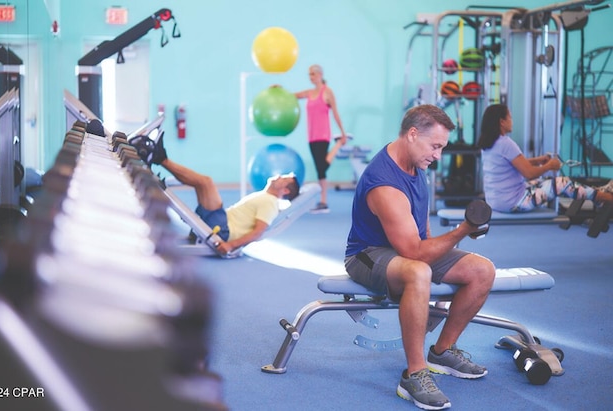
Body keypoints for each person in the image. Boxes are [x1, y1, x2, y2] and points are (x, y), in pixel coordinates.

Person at [344, 104, 496, 410]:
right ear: (413, 135)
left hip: (405, 247)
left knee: (482, 270)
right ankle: (414, 374)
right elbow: (413, 253)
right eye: (436, 146)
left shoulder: (416, 166)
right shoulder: (384, 184)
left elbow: (422, 237)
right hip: (366, 255)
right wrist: (464, 229)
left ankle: (442, 351)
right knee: (418, 272)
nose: (438, 155)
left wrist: (457, 239)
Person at [131, 133, 301, 255]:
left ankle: (160, 158)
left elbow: (258, 232)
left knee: (206, 182)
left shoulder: (270, 202)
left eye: (283, 178)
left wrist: (229, 245)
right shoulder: (265, 197)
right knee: (202, 183)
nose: (278, 176)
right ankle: (160, 158)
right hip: (221, 221)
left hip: (222, 230)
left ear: (285, 191)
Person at [478, 104, 613, 213]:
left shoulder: (489, 143)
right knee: (562, 183)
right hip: (515, 202)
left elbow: (512, 164)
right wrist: (548, 166)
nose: (512, 121)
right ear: (502, 122)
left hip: (496, 202)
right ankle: (606, 197)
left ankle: (598, 195)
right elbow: (529, 173)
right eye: (510, 118)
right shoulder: (506, 143)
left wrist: (537, 161)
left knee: (546, 181)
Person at [295, 64, 348, 213]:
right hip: (311, 136)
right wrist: (278, 89)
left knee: (322, 167)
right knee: (321, 171)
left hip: (323, 135)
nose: (311, 77)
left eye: (313, 74)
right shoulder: (309, 93)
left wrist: (343, 133)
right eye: (309, 74)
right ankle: (323, 202)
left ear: (320, 75)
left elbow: (336, 113)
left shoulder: (327, 92)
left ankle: (337, 145)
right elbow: (293, 96)